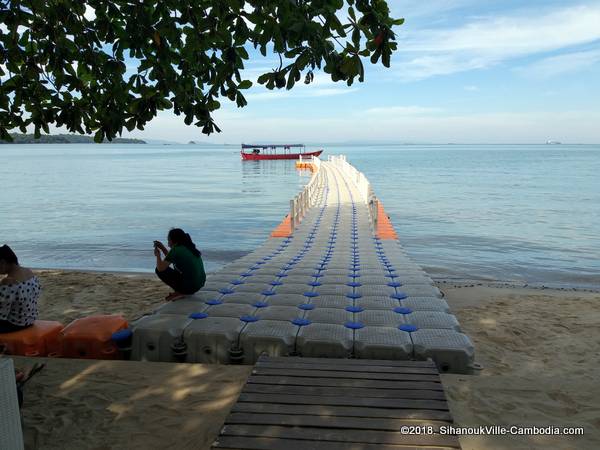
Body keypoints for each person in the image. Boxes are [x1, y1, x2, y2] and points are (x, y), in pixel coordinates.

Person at [154, 229, 206, 301]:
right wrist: (162, 248)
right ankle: (182, 290)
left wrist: (158, 255)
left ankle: (181, 292)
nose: (168, 243)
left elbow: (160, 268)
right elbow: (171, 259)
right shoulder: (187, 246)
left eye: (168, 240)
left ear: (173, 240)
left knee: (158, 270)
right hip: (198, 284)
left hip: (190, 287)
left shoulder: (176, 250)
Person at [0, 245, 41, 333]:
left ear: (3, 262)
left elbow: (2, 313)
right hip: (30, 319)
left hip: (15, 324)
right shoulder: (29, 272)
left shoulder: (8, 282)